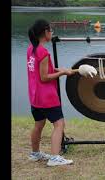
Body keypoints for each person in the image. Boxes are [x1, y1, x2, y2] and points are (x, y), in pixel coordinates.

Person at [27, 19, 75, 166]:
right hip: (47, 97)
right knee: (59, 124)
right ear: (46, 32)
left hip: (35, 97)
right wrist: (63, 74)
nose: (52, 33)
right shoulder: (44, 52)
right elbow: (44, 77)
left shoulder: (31, 49)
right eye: (51, 31)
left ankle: (35, 154)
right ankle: (54, 158)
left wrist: (59, 69)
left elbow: (41, 71)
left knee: (39, 124)